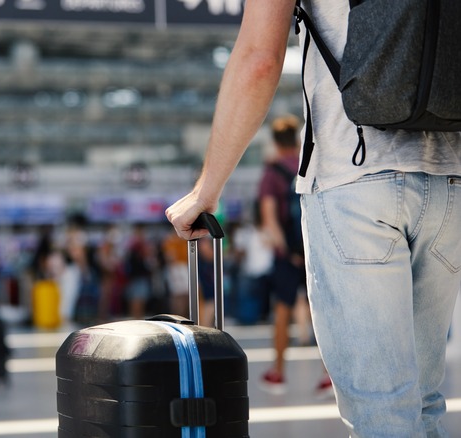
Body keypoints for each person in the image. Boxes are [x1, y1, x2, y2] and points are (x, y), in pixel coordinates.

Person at [164, 1, 461, 436]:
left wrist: (205, 191)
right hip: (450, 182)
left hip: (353, 180)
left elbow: (259, 59)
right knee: (424, 400)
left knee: (384, 409)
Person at [257, 115, 330, 395]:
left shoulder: (271, 173)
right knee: (319, 311)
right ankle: (328, 375)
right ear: (298, 141)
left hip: (287, 256)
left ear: (275, 142)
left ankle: (277, 373)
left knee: (283, 311)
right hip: (315, 247)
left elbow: (270, 218)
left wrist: (287, 252)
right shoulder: (309, 165)